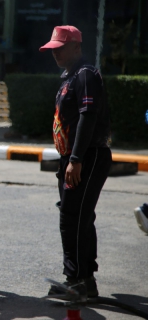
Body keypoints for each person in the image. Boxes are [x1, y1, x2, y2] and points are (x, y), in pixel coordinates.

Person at [39, 25, 112, 300]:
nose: (55, 53)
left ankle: (78, 281)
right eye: (53, 49)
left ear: (76, 47)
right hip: (71, 158)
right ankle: (83, 279)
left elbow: (88, 116)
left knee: (74, 218)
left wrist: (77, 159)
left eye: (60, 48)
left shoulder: (85, 75)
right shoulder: (69, 76)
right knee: (77, 216)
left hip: (87, 156)